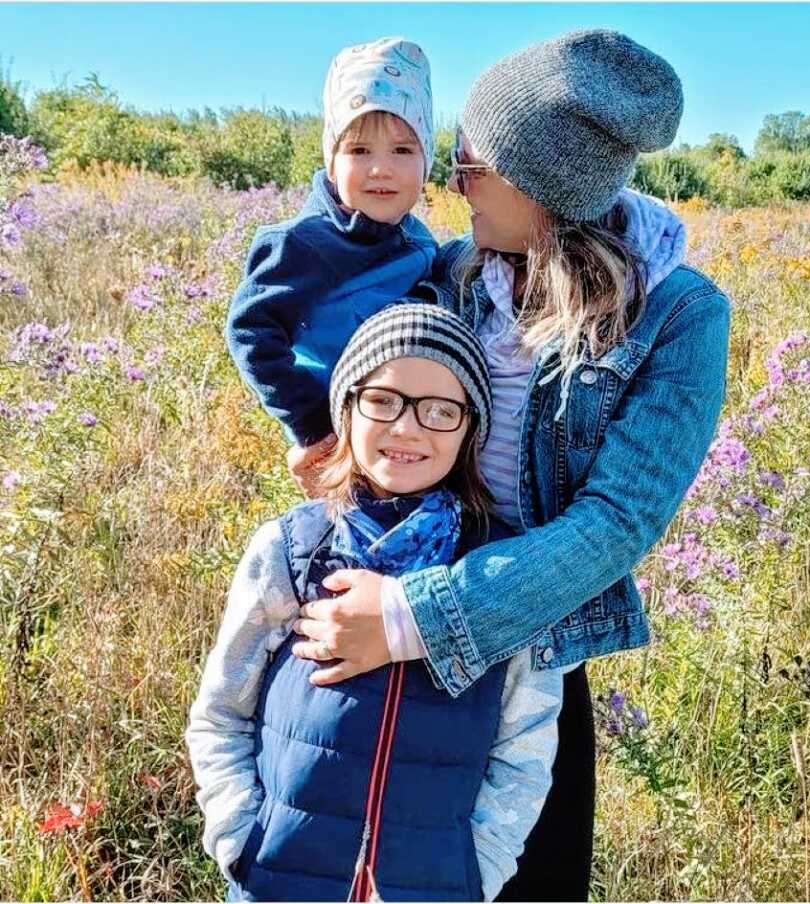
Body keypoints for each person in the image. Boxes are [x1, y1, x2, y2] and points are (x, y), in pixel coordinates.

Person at [287, 29, 732, 902]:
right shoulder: (449, 275)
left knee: (521, 875)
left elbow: (616, 525)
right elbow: (322, 289)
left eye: (471, 164)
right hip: (380, 606)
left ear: (543, 179)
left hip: (529, 653)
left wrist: (414, 616)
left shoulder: (679, 314)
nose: (453, 186)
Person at [187, 304, 565, 902]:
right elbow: (222, 708)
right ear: (346, 406)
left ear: (472, 428)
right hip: (280, 879)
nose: (408, 429)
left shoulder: (501, 572)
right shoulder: (294, 549)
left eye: (441, 410)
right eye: (383, 400)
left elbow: (527, 739)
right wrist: (240, 838)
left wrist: (482, 865)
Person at [225, 36, 437, 466]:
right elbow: (251, 331)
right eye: (359, 150)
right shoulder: (301, 244)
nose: (381, 168)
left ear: (426, 160)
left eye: (402, 149)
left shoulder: (422, 244)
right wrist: (315, 426)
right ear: (332, 159)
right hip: (340, 447)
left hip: (410, 441)